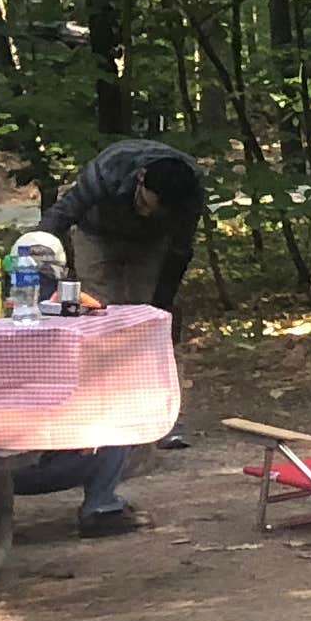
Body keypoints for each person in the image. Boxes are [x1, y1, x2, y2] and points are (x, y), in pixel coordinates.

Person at [36, 138, 206, 537]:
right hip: (97, 234)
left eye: (161, 209)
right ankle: (97, 414)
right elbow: (64, 213)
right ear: (141, 181)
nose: (152, 211)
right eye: (150, 202)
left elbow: (181, 250)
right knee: (103, 318)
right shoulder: (111, 167)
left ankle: (155, 417)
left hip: (151, 248)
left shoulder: (188, 191)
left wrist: (160, 309)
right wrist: (36, 250)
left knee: (144, 323)